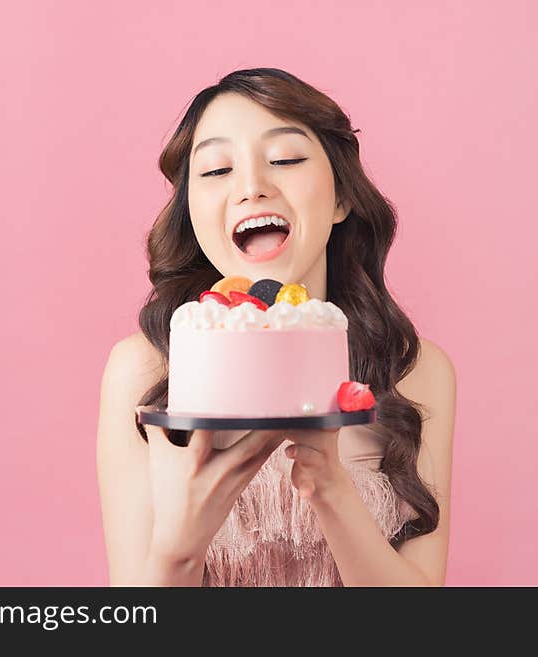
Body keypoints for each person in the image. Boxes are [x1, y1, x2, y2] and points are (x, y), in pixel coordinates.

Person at [97, 68, 456, 587]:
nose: (251, 188)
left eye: (285, 159)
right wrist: (179, 550)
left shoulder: (416, 372)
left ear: (340, 199)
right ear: (194, 213)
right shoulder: (146, 370)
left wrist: (330, 485)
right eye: (217, 171)